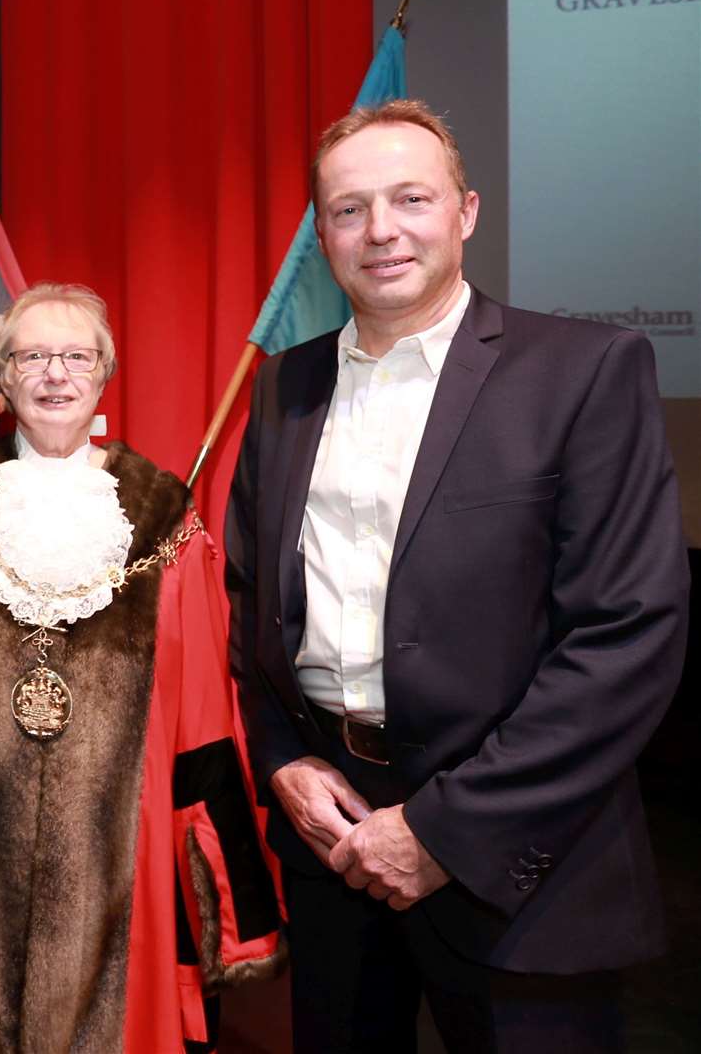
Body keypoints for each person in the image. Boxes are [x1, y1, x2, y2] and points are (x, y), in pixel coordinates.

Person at [225, 97, 688, 1052]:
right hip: (333, 849)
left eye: (409, 199)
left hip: (521, 863)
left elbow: (624, 634)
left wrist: (440, 831)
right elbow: (252, 604)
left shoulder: (584, 371)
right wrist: (281, 759)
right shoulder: (285, 386)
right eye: (349, 209)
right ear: (322, 233)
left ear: (465, 212)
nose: (380, 230)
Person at [0, 283, 284, 1053]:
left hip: (125, 863)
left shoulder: (165, 522)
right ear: (4, 376)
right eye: (32, 357)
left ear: (103, 373)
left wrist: (217, 898)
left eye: (75, 357)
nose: (54, 375)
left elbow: (201, 717)